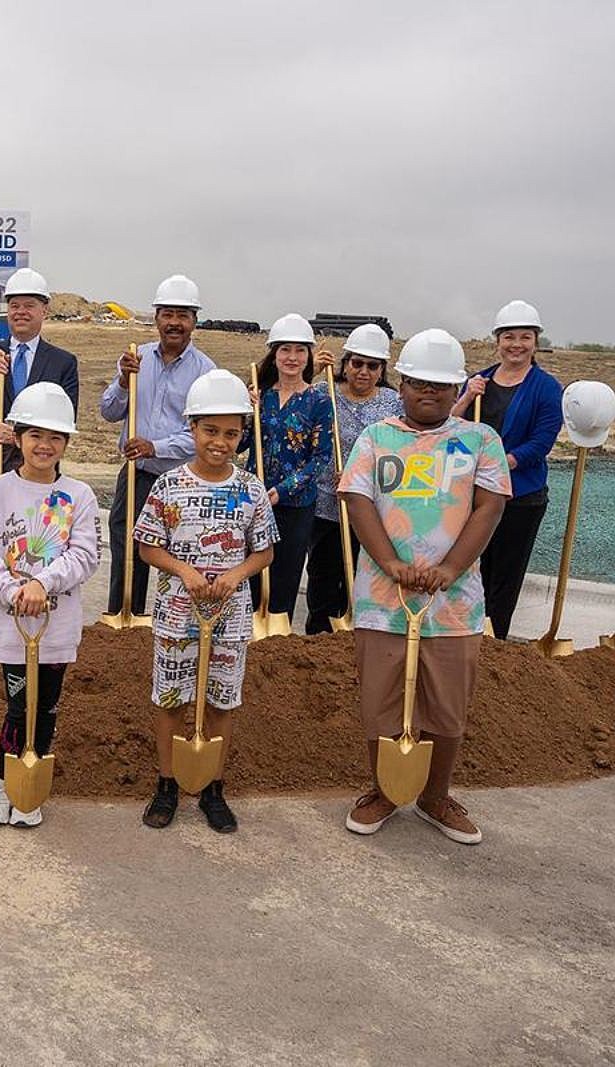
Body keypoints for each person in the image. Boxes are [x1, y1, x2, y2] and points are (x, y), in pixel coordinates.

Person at [340, 329, 509, 845]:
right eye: (417, 383)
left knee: (446, 703)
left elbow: (490, 507)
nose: (428, 393)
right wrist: (389, 561)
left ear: (456, 387)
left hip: (454, 603)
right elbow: (358, 499)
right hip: (381, 598)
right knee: (382, 699)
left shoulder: (481, 440)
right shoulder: (377, 438)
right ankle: (384, 791)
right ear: (403, 384)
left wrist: (451, 567)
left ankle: (436, 797)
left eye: (440, 385)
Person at [134, 369, 276, 832]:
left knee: (221, 700)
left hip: (230, 619)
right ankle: (167, 783)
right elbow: (147, 546)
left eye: (231, 433)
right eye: (210, 431)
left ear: (241, 435)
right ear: (192, 428)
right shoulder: (169, 486)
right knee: (171, 698)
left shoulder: (250, 488)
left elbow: (265, 550)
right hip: (177, 615)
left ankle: (214, 787)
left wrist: (236, 574)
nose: (220, 441)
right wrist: (184, 571)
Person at [0, 383, 100, 827]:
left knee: (46, 706)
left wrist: (42, 583)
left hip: (56, 627)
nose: (45, 446)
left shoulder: (79, 496)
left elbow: (84, 555)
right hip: (12, 627)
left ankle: (33, 783)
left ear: (65, 443)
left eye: (55, 438)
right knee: (17, 704)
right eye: (35, 436)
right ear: (18, 438)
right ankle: (5, 783)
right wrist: (13, 592)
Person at [0, 267, 81, 622]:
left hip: (42, 471)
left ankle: (38, 608)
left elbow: (67, 419)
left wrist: (18, 437)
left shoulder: (62, 362)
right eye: (14, 305)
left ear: (44, 310)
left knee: (40, 542)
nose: (20, 312)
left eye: (29, 305)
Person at [98, 274, 216, 617]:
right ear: (156, 318)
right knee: (126, 551)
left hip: (180, 482)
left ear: (194, 321)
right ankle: (124, 618)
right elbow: (108, 411)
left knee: (177, 556)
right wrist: (122, 381)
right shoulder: (137, 359)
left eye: (182, 315)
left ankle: (173, 625)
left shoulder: (205, 371)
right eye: (167, 314)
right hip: (136, 475)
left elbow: (200, 435)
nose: (174, 323)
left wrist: (155, 446)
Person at [451, 299, 564, 639]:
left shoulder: (545, 387)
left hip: (520, 497)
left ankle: (494, 638)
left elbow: (541, 442)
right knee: (468, 566)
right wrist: (468, 396)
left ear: (536, 342)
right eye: (509, 337)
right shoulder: (478, 381)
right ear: (497, 341)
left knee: (504, 574)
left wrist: (499, 465)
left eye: (525, 337)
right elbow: (450, 427)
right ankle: (464, 634)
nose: (517, 345)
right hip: (474, 495)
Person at [304, 323, 402, 634]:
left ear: (381, 369)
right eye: (356, 363)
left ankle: (351, 638)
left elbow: (399, 451)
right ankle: (317, 637)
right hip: (326, 504)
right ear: (346, 363)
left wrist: (360, 477)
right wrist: (310, 372)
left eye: (372, 366)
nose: (363, 371)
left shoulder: (393, 402)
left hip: (368, 507)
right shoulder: (323, 393)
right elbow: (293, 408)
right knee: (322, 575)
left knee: (358, 577)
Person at [245, 313, 332, 622]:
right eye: (285, 350)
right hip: (253, 501)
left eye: (300, 350)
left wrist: (281, 491)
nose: (292, 357)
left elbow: (320, 458)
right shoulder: (261, 396)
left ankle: (276, 639)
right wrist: (244, 412)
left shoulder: (318, 401)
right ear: (274, 354)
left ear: (309, 356)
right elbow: (242, 443)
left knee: (283, 579)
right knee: (250, 575)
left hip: (294, 507)